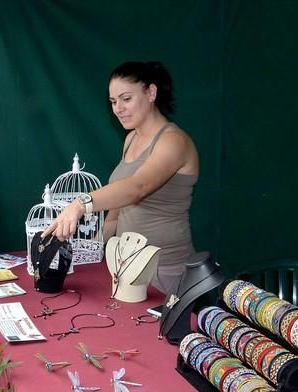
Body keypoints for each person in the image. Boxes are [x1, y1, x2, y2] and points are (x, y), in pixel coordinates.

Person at [44, 61, 198, 294]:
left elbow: (137, 187)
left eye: (126, 99)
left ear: (151, 93)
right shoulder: (131, 139)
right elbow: (117, 208)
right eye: (114, 102)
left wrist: (80, 205)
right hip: (126, 267)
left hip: (165, 272)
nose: (118, 109)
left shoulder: (174, 141)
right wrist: (91, 249)